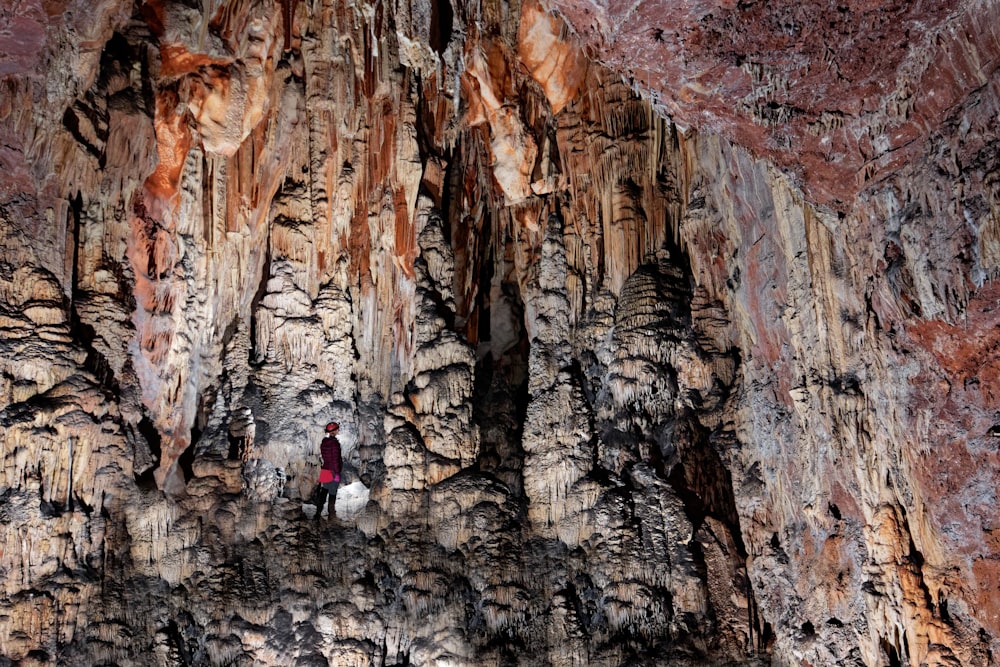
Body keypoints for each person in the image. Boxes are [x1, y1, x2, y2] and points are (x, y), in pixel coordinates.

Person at [314, 421, 342, 519]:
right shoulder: (334, 444)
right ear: (333, 431)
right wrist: (337, 473)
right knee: (332, 492)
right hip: (333, 471)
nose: (338, 430)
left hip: (325, 469)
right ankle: (331, 514)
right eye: (337, 429)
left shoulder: (324, 442)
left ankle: (318, 513)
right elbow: (335, 460)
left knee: (324, 491)